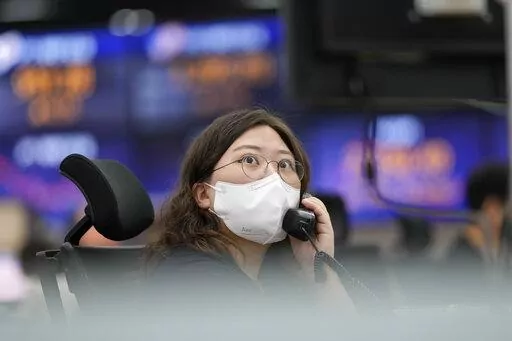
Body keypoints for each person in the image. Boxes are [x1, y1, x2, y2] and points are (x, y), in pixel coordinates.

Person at [144, 108, 354, 316]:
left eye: (285, 164)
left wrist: (318, 268)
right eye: (249, 160)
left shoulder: (273, 283)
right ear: (203, 195)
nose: (273, 176)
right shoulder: (192, 279)